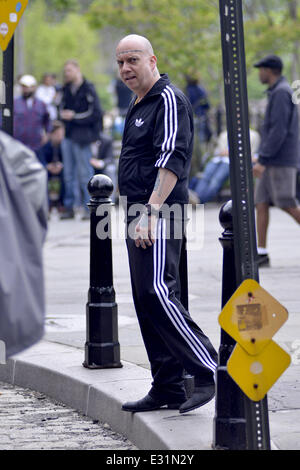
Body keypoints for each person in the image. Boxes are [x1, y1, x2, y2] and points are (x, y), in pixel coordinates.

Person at [116, 34, 218, 414]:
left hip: (158, 213)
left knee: (158, 291)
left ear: (152, 59)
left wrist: (152, 212)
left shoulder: (169, 99)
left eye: (133, 60)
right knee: (145, 298)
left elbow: (172, 157)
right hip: (135, 212)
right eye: (121, 62)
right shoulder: (138, 102)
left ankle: (210, 367)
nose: (126, 68)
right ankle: (168, 386)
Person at [253, 55, 300, 266]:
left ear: (269, 70)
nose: (259, 73)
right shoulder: (277, 91)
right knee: (260, 202)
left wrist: (263, 158)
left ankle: (261, 251)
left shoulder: (281, 93)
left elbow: (279, 131)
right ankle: (261, 252)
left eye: (261, 69)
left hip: (280, 160)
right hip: (272, 159)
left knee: (286, 203)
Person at [58, 60, 103, 220]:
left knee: (85, 173)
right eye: (66, 71)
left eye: (69, 70)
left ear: (77, 70)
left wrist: (74, 116)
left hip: (83, 136)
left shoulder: (88, 88)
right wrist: (62, 115)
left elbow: (96, 113)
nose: (67, 74)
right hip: (68, 135)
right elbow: (59, 108)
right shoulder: (65, 89)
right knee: (68, 174)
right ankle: (69, 207)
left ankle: (87, 207)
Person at [189, 128, 260, 204]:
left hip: (230, 162)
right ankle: (196, 197)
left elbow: (250, 154)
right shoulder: (225, 134)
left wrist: (231, 153)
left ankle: (199, 200)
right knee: (205, 177)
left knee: (215, 181)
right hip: (218, 160)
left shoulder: (252, 135)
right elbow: (219, 151)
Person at [13, 74, 51, 153]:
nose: (27, 90)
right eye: (24, 87)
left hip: (36, 145)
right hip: (17, 145)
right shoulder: (14, 103)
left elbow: (47, 121)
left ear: (34, 87)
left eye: (30, 87)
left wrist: (47, 135)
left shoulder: (41, 104)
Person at [36, 120, 65, 212]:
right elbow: (40, 160)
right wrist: (48, 166)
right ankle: (47, 204)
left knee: (67, 177)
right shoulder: (44, 146)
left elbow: (67, 161)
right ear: (51, 134)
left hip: (61, 169)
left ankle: (62, 203)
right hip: (48, 169)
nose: (60, 137)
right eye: (57, 134)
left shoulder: (64, 146)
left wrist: (61, 165)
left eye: (61, 134)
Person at [90, 131, 117, 203]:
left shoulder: (106, 140)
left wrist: (100, 163)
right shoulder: (84, 141)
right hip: (88, 167)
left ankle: (110, 202)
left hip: (102, 166)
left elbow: (110, 158)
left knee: (110, 169)